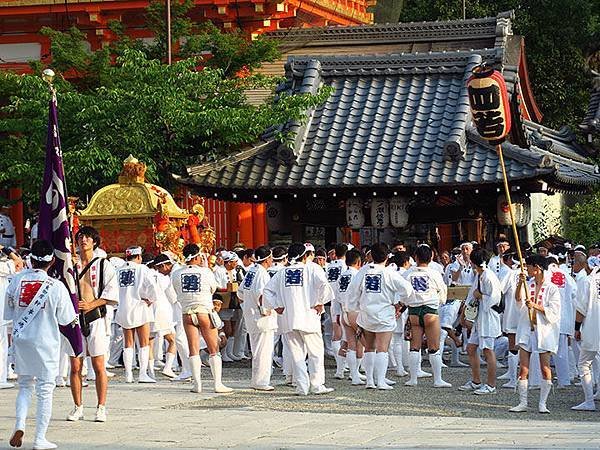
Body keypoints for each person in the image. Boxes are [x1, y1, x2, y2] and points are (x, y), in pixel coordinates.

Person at [5, 240, 77, 450]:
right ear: (52, 261)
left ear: (30, 259)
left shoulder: (16, 281)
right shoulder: (56, 286)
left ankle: (19, 424)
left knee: (25, 386)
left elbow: (8, 312)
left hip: (21, 341)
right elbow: (66, 320)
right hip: (45, 342)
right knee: (45, 389)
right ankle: (39, 439)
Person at [263, 242, 334, 396]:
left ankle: (301, 386)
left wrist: (276, 306)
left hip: (288, 317)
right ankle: (316, 384)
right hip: (309, 316)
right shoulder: (312, 268)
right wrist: (320, 302)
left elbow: (267, 290)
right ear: (304, 256)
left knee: (296, 353)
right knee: (315, 352)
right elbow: (324, 285)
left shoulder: (282, 272)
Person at [66, 226, 119, 423]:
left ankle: (101, 407)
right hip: (74, 319)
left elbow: (111, 294)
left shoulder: (104, 265)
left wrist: (90, 304)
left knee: (98, 365)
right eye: (80, 237)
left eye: (87, 237)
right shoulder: (70, 265)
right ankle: (78, 406)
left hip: (95, 316)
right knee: (75, 365)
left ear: (95, 241)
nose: (83, 240)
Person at [347, 243, 413, 390]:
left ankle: (370, 381)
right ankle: (381, 381)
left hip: (366, 313)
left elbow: (352, 292)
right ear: (387, 257)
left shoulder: (363, 271)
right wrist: (401, 303)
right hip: (384, 313)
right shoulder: (389, 273)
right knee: (382, 348)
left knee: (369, 348)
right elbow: (407, 289)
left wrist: (354, 307)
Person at [171, 244, 232, 393]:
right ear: (197, 257)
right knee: (213, 349)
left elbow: (176, 290)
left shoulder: (176, 273)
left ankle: (197, 384)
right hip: (204, 311)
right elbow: (212, 289)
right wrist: (205, 268)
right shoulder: (206, 272)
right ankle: (217, 384)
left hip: (187, 313)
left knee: (193, 349)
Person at [510, 254, 561, 413]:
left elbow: (554, 311)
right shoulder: (528, 284)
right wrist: (520, 284)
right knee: (523, 368)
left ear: (537, 268)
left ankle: (542, 403)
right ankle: (523, 402)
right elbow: (519, 300)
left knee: (545, 367)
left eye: (529, 266)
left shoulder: (551, 288)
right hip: (527, 328)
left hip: (544, 330)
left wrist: (536, 306)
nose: (527, 269)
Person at [402, 244, 449, 388]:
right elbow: (443, 293)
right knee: (433, 347)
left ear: (415, 257)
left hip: (414, 311)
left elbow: (403, 294)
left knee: (414, 346)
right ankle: (437, 380)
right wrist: (439, 302)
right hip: (430, 310)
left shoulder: (408, 273)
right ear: (432, 257)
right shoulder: (434, 273)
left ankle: (413, 378)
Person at [458, 249, 502, 395]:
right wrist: (465, 312)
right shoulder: (479, 275)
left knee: (488, 350)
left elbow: (495, 298)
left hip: (489, 317)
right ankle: (476, 381)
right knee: (471, 348)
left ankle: (491, 384)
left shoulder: (489, 276)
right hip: (480, 317)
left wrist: (481, 296)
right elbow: (472, 294)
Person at [115, 246, 160, 384]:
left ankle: (128, 374)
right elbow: (152, 286)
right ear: (139, 257)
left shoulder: (118, 270)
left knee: (128, 343)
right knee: (143, 342)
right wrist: (151, 299)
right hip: (140, 306)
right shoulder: (142, 269)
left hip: (123, 307)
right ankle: (142, 373)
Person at [238, 246, 277, 391]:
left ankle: (257, 380)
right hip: (261, 317)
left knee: (257, 350)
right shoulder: (262, 274)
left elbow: (240, 292)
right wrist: (264, 310)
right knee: (264, 350)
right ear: (267, 259)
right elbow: (262, 295)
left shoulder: (251, 271)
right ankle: (261, 382)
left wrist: (249, 304)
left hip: (250, 315)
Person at [572, 258, 600, 410]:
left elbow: (580, 308)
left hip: (592, 328)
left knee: (583, 364)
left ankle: (589, 401)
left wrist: (577, 328)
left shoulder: (587, 281)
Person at [338, 248, 365, 385]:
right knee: (361, 344)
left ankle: (354, 375)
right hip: (356, 312)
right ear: (359, 261)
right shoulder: (358, 275)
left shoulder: (343, 275)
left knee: (350, 344)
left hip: (344, 311)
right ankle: (357, 374)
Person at [0, 245, 23, 390]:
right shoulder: (3, 266)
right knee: (1, 343)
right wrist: (5, 248)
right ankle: (1, 378)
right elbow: (18, 262)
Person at [326, 243, 348, 380]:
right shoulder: (345, 267)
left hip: (333, 300)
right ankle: (343, 363)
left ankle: (340, 363)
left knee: (336, 332)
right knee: (346, 333)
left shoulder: (329, 266)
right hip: (343, 300)